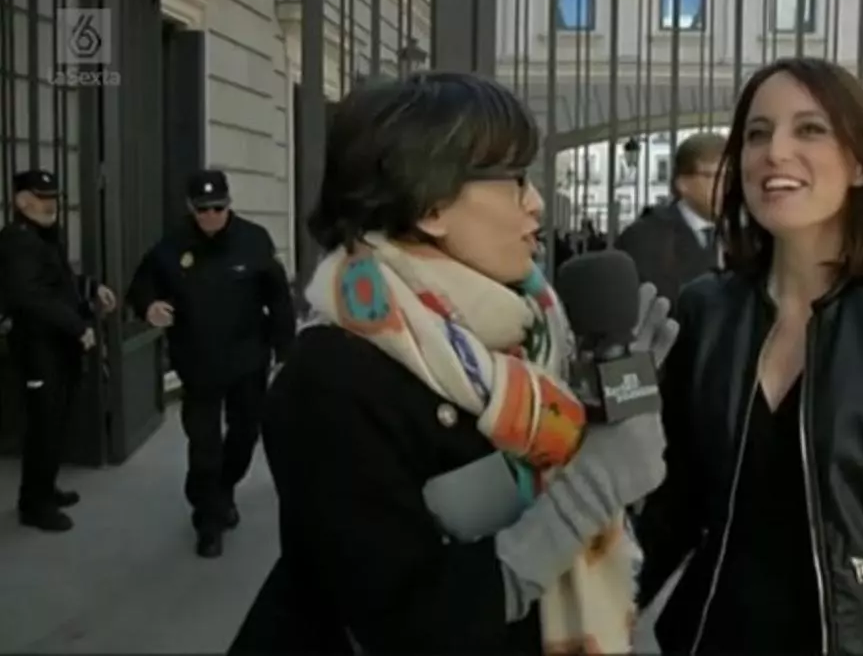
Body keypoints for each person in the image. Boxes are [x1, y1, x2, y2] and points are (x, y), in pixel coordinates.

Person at [229, 72, 676, 653]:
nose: (536, 204)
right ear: (431, 204)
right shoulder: (328, 381)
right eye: (516, 179)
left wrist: (608, 431)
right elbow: (409, 625)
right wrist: (590, 488)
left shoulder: (524, 330)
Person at [635, 57, 863, 654]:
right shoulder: (707, 310)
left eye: (809, 129)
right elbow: (669, 508)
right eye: (757, 134)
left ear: (860, 164)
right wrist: (584, 614)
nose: (775, 152)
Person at [125, 169, 295, 558]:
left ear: (229, 204)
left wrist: (286, 351)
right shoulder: (173, 245)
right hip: (198, 362)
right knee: (204, 447)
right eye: (203, 209)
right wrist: (149, 306)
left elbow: (279, 299)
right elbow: (141, 285)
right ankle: (209, 521)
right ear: (191, 207)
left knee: (243, 436)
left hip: (248, 360)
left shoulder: (254, 240)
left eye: (218, 208)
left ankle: (222, 490)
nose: (212, 216)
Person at [0, 169, 117, 532]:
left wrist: (91, 287)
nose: (51, 204)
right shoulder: (17, 241)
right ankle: (34, 505)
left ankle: (45, 489)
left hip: (57, 346)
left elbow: (59, 282)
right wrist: (77, 326)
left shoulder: (46, 236)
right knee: (43, 427)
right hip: (37, 348)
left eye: (53, 197)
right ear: (22, 201)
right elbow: (30, 296)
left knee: (56, 424)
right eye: (42, 198)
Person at [617, 132, 726, 306]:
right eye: (716, 176)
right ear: (683, 184)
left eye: (732, 176)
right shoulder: (645, 238)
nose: (727, 186)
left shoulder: (747, 236)